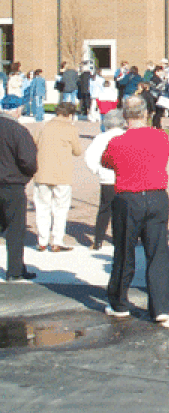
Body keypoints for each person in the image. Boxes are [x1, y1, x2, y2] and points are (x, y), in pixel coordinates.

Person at [101, 96, 169, 321]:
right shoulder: (161, 137)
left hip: (128, 197)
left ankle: (120, 301)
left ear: (125, 115)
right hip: (157, 195)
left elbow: (107, 162)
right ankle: (160, 306)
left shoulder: (117, 142)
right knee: (158, 253)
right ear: (146, 114)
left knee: (124, 251)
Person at [32, 102, 84, 251]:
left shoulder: (43, 126)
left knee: (42, 208)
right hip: (62, 173)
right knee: (60, 208)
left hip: (42, 171)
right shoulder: (70, 128)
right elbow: (77, 150)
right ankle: (57, 240)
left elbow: (34, 144)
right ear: (70, 114)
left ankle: (42, 240)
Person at [0, 103, 38, 281]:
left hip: (10, 181)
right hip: (12, 184)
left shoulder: (17, 130)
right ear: (16, 110)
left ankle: (18, 268)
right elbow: (28, 160)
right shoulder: (18, 131)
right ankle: (14, 270)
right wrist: (26, 175)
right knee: (15, 229)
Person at [84, 109, 126, 249]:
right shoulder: (126, 136)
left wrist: (97, 170)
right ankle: (120, 239)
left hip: (107, 178)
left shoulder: (101, 138)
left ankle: (98, 240)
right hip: (124, 178)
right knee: (122, 211)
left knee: (104, 210)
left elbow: (89, 156)